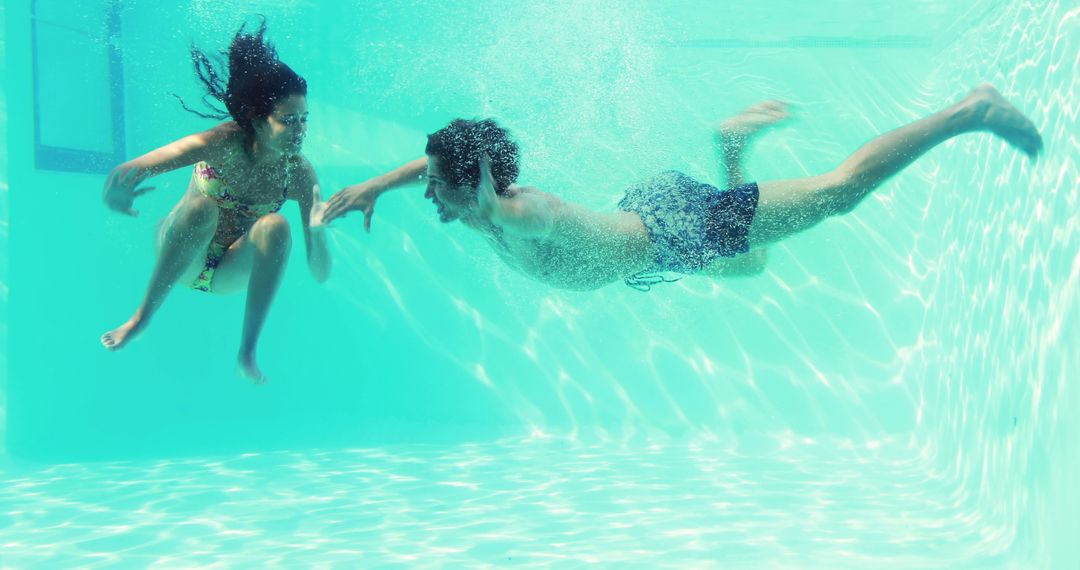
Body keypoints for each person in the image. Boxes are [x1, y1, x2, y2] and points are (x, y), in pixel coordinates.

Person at [320, 84, 1041, 292]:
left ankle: (968, 112)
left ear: (475, 183)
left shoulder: (516, 209)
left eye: (444, 186)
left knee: (841, 191)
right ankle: (730, 145)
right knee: (752, 268)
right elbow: (432, 164)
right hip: (654, 235)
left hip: (677, 227)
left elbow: (522, 214)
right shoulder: (472, 203)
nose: (432, 195)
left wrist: (482, 199)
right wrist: (379, 184)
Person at [100, 20, 330, 383]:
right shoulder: (222, 143)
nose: (301, 131)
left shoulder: (299, 173)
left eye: (305, 119)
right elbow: (133, 169)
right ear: (257, 119)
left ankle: (248, 350)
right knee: (201, 209)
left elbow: (320, 273)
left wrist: (318, 232)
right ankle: (141, 318)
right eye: (289, 121)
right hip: (182, 256)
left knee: (276, 226)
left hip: (230, 272)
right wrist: (117, 189)